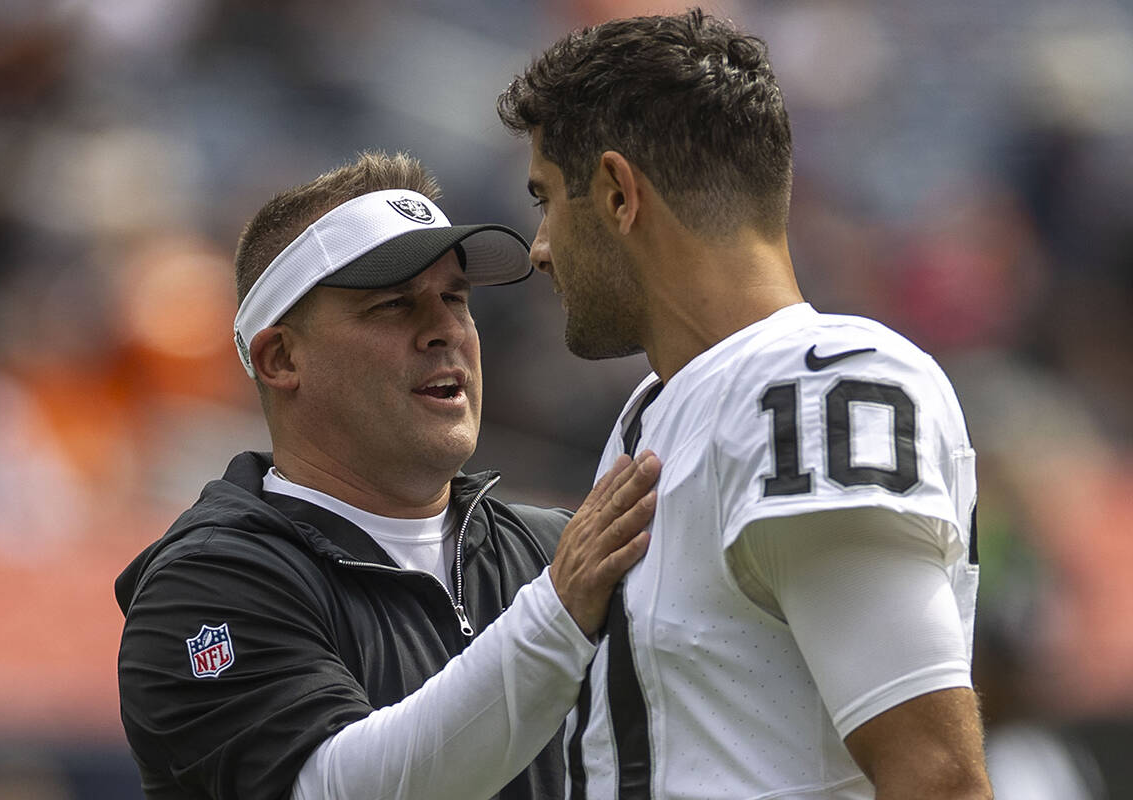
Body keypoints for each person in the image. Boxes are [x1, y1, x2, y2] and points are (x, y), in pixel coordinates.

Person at [497, 10, 991, 800]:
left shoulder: (814, 385)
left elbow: (935, 776)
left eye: (546, 199)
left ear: (620, 193)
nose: (540, 247)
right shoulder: (660, 408)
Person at [115, 151, 661, 800]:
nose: (446, 331)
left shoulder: (553, 550)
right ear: (282, 357)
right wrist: (558, 616)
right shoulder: (206, 588)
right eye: (395, 305)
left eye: (455, 298)